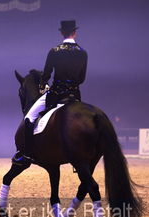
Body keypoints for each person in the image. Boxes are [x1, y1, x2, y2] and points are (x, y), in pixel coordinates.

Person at [14, 20, 88, 166]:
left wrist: (43, 84)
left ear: (62, 33)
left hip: (56, 94)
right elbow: (82, 78)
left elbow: (47, 74)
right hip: (75, 96)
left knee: (29, 118)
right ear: (75, 33)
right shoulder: (83, 52)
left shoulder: (54, 51)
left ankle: (27, 155)